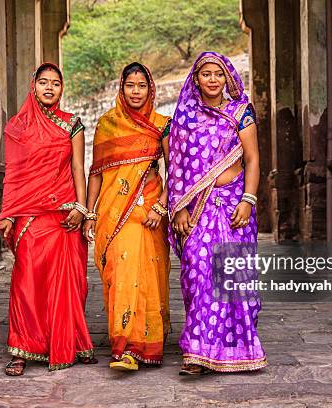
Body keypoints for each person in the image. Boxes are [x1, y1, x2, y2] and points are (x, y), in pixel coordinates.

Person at [0, 62, 96, 375]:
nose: (49, 88)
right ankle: (22, 348)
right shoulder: (17, 128)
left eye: (56, 83)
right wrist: (8, 215)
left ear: (62, 89)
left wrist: (81, 207)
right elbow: (15, 176)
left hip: (63, 216)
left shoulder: (71, 123)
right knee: (26, 284)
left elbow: (78, 168)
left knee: (66, 285)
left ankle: (70, 342)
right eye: (44, 82)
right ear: (33, 86)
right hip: (31, 219)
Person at [168, 52, 267, 374]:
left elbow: (252, 159)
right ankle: (197, 351)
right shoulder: (185, 118)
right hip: (196, 211)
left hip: (233, 205)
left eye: (219, 74)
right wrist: (179, 208)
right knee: (197, 272)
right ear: (195, 79)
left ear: (228, 79)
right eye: (206, 74)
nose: (212, 80)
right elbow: (177, 167)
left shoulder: (241, 114)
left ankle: (232, 348)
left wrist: (248, 200)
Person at [83, 62, 171, 371]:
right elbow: (96, 173)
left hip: (148, 213)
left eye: (142, 86)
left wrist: (161, 206)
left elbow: (176, 171)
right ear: (122, 88)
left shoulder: (162, 124)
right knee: (121, 275)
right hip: (113, 212)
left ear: (150, 89)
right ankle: (124, 344)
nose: (136, 91)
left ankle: (141, 345)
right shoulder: (107, 124)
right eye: (130, 85)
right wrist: (90, 213)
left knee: (144, 275)